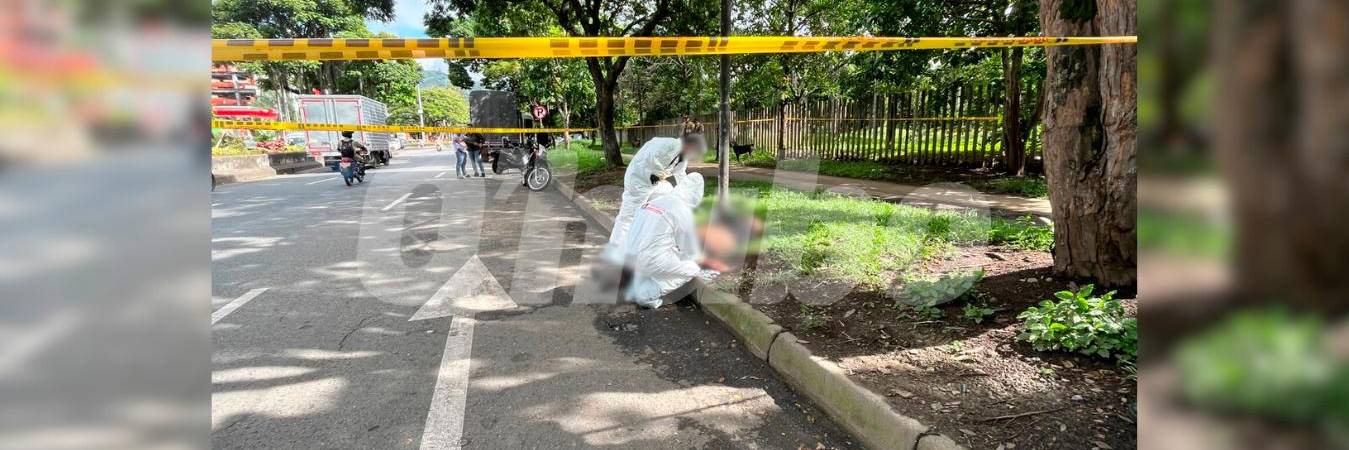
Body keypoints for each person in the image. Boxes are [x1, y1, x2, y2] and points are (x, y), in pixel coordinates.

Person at [601, 128, 708, 264]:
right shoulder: (668, 144)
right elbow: (649, 159)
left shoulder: (683, 156)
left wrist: (688, 199)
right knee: (627, 217)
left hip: (654, 183)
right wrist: (658, 173)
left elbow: (681, 176)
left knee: (669, 203)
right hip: (638, 180)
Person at [623, 173, 720, 308]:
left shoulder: (653, 202)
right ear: (696, 195)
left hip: (630, 256)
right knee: (692, 268)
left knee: (670, 261)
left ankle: (637, 284)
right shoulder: (681, 210)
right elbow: (689, 248)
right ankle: (646, 295)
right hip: (651, 260)